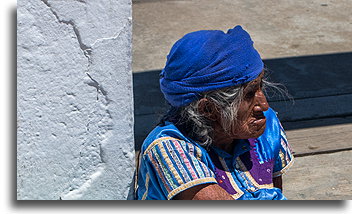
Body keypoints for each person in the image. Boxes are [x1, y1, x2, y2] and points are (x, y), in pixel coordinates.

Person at [135, 25, 294, 200]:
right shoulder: (169, 148)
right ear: (209, 109)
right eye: (249, 94)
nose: (263, 105)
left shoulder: (266, 125)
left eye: (260, 86)